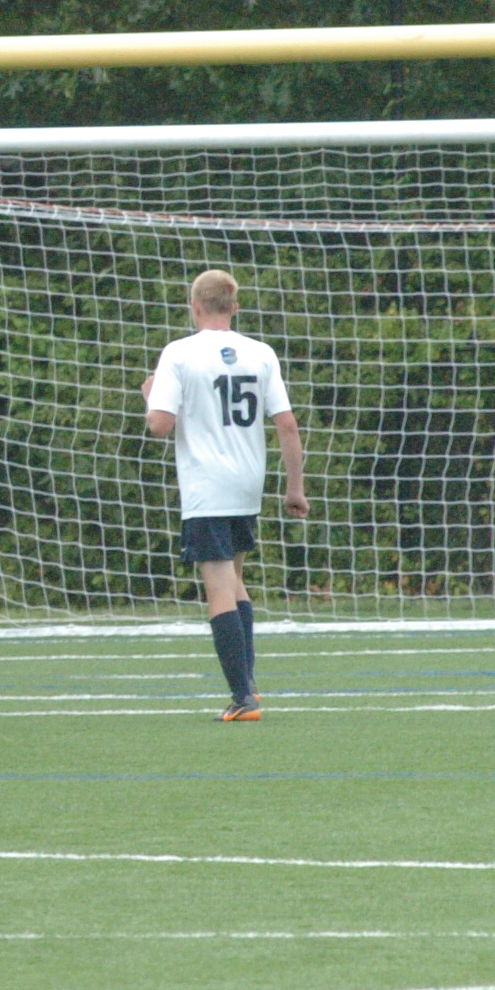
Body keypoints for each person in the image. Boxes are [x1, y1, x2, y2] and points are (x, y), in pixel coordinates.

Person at [140, 269, 308, 721]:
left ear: (194, 306)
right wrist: (294, 487)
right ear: (234, 307)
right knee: (234, 581)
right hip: (247, 482)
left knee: (217, 588)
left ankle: (242, 698)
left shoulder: (180, 353)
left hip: (207, 485)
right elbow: (287, 424)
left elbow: (159, 425)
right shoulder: (261, 352)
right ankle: (248, 685)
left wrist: (150, 396)